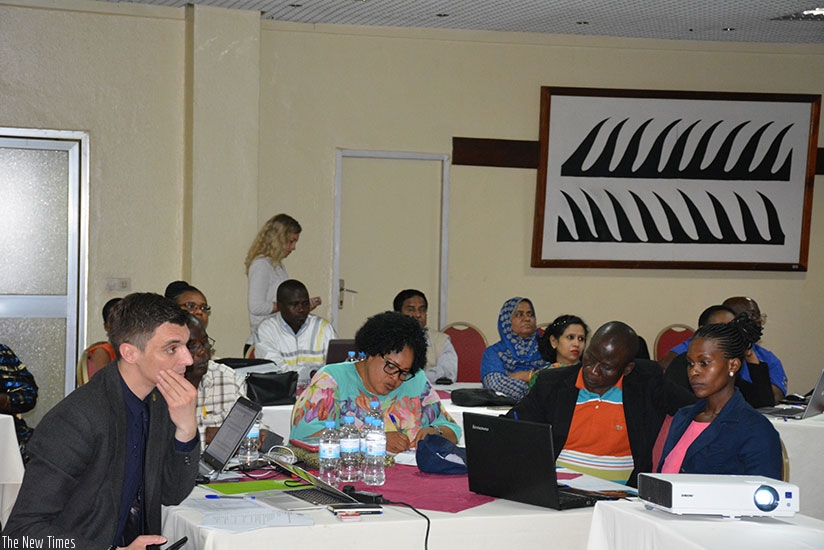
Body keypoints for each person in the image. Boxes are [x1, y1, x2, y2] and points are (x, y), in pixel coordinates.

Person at [4, 293, 199, 550]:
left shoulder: (158, 400)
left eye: (186, 346)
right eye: (172, 348)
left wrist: (186, 429)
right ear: (129, 353)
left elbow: (171, 493)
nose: (188, 359)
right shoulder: (77, 419)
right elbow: (20, 534)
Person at [507, 321, 695, 487]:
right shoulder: (552, 384)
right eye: (590, 358)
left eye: (607, 367)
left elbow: (697, 409)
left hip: (622, 498)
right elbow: (511, 427)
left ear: (627, 369)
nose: (593, 371)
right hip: (558, 489)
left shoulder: (647, 384)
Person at [290, 311, 460, 454]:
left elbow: (452, 429)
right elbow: (304, 436)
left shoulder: (415, 380)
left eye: (403, 372)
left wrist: (434, 432)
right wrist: (374, 441)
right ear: (371, 352)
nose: (395, 378)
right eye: (391, 366)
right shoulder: (331, 380)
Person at [659, 314, 782, 479]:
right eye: (690, 363)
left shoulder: (755, 429)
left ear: (733, 365)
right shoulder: (683, 416)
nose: (693, 372)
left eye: (704, 363)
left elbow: (764, 495)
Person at [661, 296, 787, 403]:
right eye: (720, 329)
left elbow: (763, 403)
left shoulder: (729, 365)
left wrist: (750, 356)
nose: (727, 335)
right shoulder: (682, 363)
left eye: (732, 330)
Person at [244, 214, 321, 354]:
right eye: (291, 241)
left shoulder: (277, 265)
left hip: (277, 340)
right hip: (261, 343)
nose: (294, 247)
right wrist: (288, 306)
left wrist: (299, 307)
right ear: (277, 239)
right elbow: (256, 306)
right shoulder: (261, 265)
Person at [255, 279, 337, 391]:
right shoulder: (267, 329)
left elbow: (334, 367)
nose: (301, 309)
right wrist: (309, 373)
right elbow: (273, 369)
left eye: (305, 304)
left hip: (319, 394)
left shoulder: (323, 327)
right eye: (294, 305)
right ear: (280, 306)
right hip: (281, 394)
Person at [183, 314, 246, 446]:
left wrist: (260, 433)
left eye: (205, 343)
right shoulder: (160, 385)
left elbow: (248, 428)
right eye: (193, 346)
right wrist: (204, 437)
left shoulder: (228, 377)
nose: (203, 352)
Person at [480, 297, 546, 401]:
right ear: (507, 320)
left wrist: (515, 376)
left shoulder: (546, 349)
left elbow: (558, 377)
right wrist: (532, 379)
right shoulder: (494, 352)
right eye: (519, 314)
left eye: (530, 314)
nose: (527, 319)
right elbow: (494, 384)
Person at [393, 289, 458, 384]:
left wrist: (409, 379)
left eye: (422, 310)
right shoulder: (387, 339)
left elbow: (448, 373)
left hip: (432, 395)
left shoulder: (440, 340)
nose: (418, 315)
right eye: (411, 310)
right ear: (398, 314)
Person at [0, 344, 38, 464]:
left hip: (7, 437)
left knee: (41, 451)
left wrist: (4, 400)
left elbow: (28, 394)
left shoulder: (2, 353)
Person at [85, 297, 123, 375]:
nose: (122, 327)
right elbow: (105, 384)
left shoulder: (133, 350)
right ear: (106, 327)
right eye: (116, 323)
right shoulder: (102, 352)